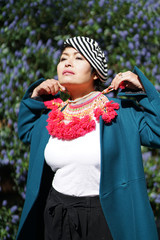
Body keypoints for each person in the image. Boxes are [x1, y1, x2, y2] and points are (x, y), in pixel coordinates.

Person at [16, 36, 159, 240]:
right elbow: (26, 132)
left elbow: (158, 132)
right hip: (56, 217)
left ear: (95, 73)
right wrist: (36, 97)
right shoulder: (51, 116)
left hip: (105, 219)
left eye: (79, 58)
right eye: (63, 57)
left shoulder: (121, 114)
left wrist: (142, 89)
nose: (67, 62)